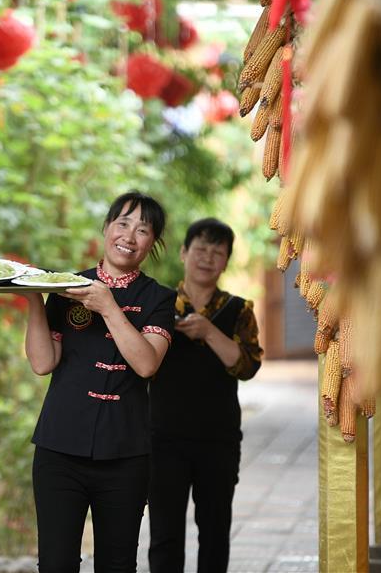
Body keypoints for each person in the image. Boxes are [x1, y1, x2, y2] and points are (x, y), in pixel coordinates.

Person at [23, 191, 177, 572]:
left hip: (125, 454)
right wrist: (31, 298)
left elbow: (146, 365)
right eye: (122, 223)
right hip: (59, 450)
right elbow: (43, 363)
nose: (130, 235)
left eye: (143, 230)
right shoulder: (65, 287)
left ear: (152, 244)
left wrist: (109, 306)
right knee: (56, 564)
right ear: (107, 228)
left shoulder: (160, 299)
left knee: (117, 564)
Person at [147, 218, 263, 573]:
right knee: (164, 536)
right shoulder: (158, 304)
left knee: (214, 532)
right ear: (183, 253)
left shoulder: (239, 310)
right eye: (200, 249)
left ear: (226, 262)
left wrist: (210, 332)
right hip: (162, 439)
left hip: (218, 440)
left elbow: (247, 367)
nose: (207, 258)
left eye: (217, 252)